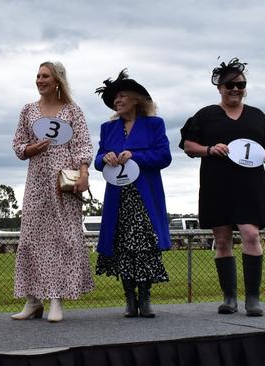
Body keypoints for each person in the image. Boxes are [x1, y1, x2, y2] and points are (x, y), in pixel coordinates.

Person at [180, 58, 265, 316]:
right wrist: (209, 149)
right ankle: (230, 298)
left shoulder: (258, 115)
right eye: (229, 85)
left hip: (250, 185)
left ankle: (253, 300)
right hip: (217, 185)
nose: (235, 89)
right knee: (222, 240)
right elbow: (188, 146)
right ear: (219, 88)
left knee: (250, 234)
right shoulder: (205, 115)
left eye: (240, 84)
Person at [11, 61, 94, 322]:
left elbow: (83, 145)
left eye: (45, 76)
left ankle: (56, 297)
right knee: (31, 237)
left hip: (63, 182)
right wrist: (31, 149)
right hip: (36, 180)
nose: (40, 80)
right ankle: (33, 300)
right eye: (37, 75)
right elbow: (18, 145)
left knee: (62, 238)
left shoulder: (72, 111)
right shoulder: (28, 111)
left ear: (57, 80)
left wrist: (84, 174)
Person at [93, 69, 171, 318]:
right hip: (119, 197)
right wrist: (104, 157)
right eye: (115, 98)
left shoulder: (154, 124)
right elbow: (97, 159)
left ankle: (145, 298)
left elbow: (164, 156)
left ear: (136, 99)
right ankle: (129, 298)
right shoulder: (108, 128)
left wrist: (136, 155)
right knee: (123, 245)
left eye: (122, 96)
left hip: (145, 196)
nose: (117, 101)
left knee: (146, 245)